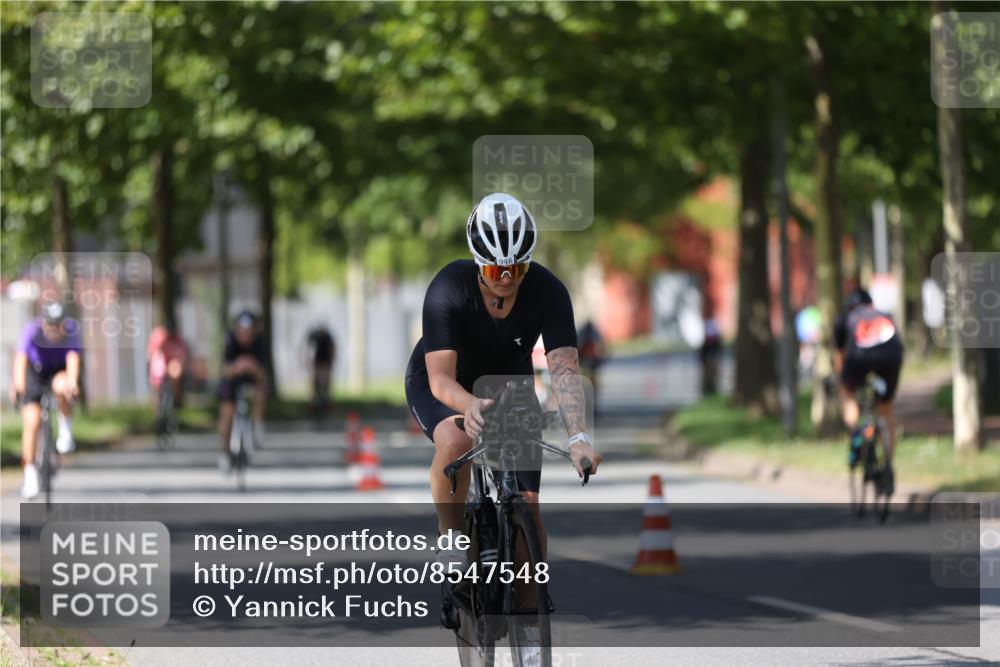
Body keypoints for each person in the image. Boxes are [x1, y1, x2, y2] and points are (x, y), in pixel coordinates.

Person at [404, 192, 603, 567]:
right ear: (480, 265)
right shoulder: (448, 288)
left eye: (518, 270)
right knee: (456, 439)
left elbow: (563, 372)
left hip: (510, 383)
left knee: (528, 506)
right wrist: (470, 405)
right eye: (497, 272)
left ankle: (529, 616)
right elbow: (441, 381)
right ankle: (451, 537)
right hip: (447, 382)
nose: (507, 280)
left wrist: (578, 438)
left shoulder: (549, 292)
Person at [834, 287, 904, 491]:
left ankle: (857, 434)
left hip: (859, 357)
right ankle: (888, 464)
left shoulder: (846, 317)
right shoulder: (884, 314)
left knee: (846, 393)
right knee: (886, 409)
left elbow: (841, 356)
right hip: (892, 355)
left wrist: (844, 381)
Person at [10, 302, 83, 499]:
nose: (53, 329)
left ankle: (65, 429)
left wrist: (73, 382)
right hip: (35, 371)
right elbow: (21, 359)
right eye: (50, 325)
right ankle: (30, 473)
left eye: (57, 325)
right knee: (32, 422)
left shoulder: (71, 332)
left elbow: (73, 360)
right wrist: (18, 385)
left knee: (63, 386)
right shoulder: (31, 331)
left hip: (58, 370)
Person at [217, 310, 268, 473]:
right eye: (242, 332)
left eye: (249, 332)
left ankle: (257, 423)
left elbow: (263, 372)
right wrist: (239, 366)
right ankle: (225, 452)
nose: (245, 336)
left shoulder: (259, 343)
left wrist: (252, 367)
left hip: (252, 378)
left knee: (260, 389)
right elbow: (225, 369)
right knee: (227, 414)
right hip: (233, 379)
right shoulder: (230, 341)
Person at [147, 318, 188, 406]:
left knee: (175, 369)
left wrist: (175, 368)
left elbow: (182, 357)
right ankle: (157, 403)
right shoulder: (158, 336)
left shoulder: (178, 340)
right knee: (158, 366)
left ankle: (175, 400)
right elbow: (152, 354)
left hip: (172, 365)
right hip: (159, 365)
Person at [306, 325, 336, 412]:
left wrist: (332, 361)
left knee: (326, 383)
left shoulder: (327, 337)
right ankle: (315, 402)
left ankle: (326, 402)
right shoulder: (317, 337)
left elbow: (332, 349)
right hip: (318, 361)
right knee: (316, 382)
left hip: (325, 361)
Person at [577, 320, 606, 397]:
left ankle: (592, 390)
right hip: (584, 357)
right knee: (585, 374)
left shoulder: (595, 335)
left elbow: (602, 348)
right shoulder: (584, 335)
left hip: (592, 358)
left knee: (591, 374)